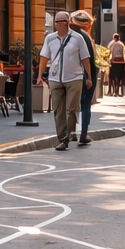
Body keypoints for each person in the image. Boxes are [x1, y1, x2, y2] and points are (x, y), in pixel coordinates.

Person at [39, 11, 93, 150]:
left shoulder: (78, 38)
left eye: (61, 22)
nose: (59, 24)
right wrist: (40, 75)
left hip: (74, 78)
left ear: (68, 22)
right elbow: (44, 57)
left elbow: (85, 58)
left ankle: (70, 133)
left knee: (71, 110)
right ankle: (63, 139)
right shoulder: (50, 38)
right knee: (58, 110)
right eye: (56, 22)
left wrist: (89, 77)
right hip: (55, 78)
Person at [71, 10, 98, 143]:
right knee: (85, 104)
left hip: (67, 75)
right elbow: (89, 60)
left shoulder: (65, 35)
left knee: (69, 105)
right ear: (87, 25)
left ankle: (70, 133)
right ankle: (84, 133)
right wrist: (90, 77)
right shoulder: (85, 37)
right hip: (84, 75)